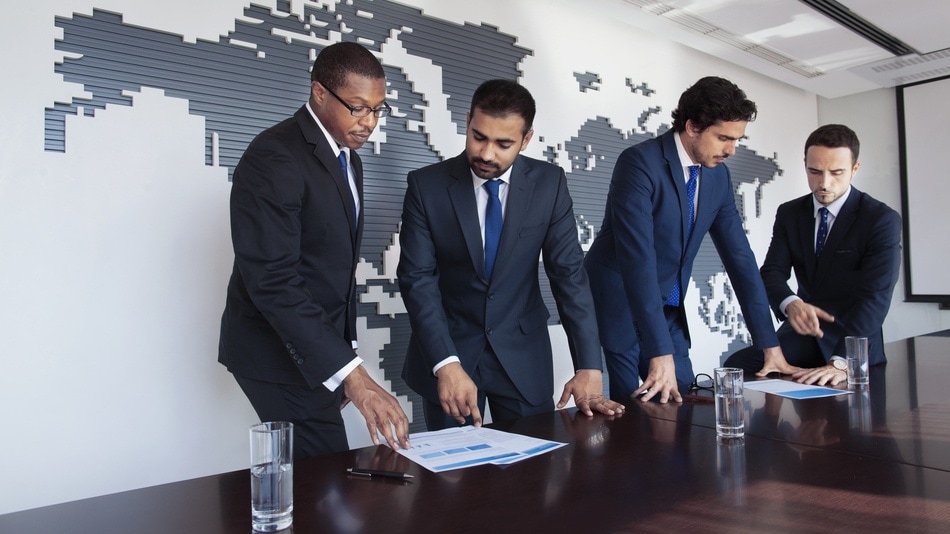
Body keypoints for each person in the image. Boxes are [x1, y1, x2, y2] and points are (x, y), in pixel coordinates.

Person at [218, 42, 410, 459]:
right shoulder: (274, 157)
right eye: (358, 107)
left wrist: (342, 362)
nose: (369, 122)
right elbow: (273, 281)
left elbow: (330, 272)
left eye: (378, 109)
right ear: (319, 92)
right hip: (275, 353)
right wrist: (351, 375)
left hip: (317, 356)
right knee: (326, 481)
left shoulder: (346, 155)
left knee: (312, 484)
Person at [398, 79, 623, 430]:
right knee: (452, 479)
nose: (487, 154)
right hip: (451, 354)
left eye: (504, 144)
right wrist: (445, 363)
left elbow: (569, 276)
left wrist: (589, 366)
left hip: (523, 357)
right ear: (469, 119)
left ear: (526, 139)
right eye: (479, 137)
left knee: (534, 473)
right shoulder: (425, 187)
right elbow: (417, 279)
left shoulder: (549, 183)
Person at [584, 76, 785, 404]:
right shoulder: (639, 164)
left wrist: (769, 345)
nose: (731, 150)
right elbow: (639, 258)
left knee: (682, 398)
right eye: (723, 138)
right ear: (692, 126)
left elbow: (740, 258)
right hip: (620, 299)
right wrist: (658, 353)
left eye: (737, 139)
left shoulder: (717, 175)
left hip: (668, 305)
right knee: (630, 407)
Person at [723, 124, 901, 386]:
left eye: (836, 172)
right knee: (736, 366)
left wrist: (843, 363)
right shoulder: (790, 213)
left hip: (851, 339)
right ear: (805, 165)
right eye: (814, 171)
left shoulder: (880, 219)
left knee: (848, 418)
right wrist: (791, 303)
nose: (824, 183)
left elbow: (875, 298)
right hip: (802, 335)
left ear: (855, 169)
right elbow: (772, 273)